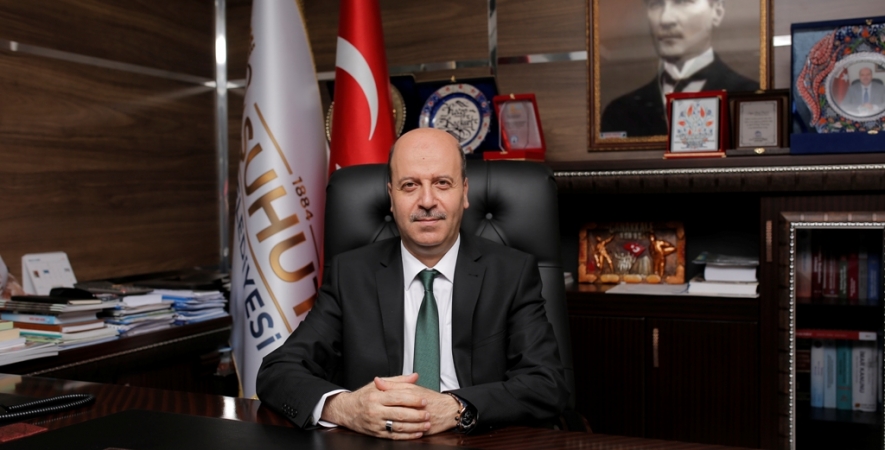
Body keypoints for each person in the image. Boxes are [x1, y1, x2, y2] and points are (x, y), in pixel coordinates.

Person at [256, 128, 568, 440]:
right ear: (391, 197)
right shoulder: (350, 275)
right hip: (377, 442)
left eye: (442, 183)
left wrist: (457, 407)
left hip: (477, 439)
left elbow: (546, 384)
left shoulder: (511, 273)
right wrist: (346, 408)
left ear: (464, 192)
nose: (427, 201)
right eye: (410, 185)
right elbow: (277, 371)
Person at [601, 0, 758, 137]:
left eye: (682, 2)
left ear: (717, 12)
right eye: (655, 4)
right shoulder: (618, 112)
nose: (665, 19)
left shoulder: (752, 99)